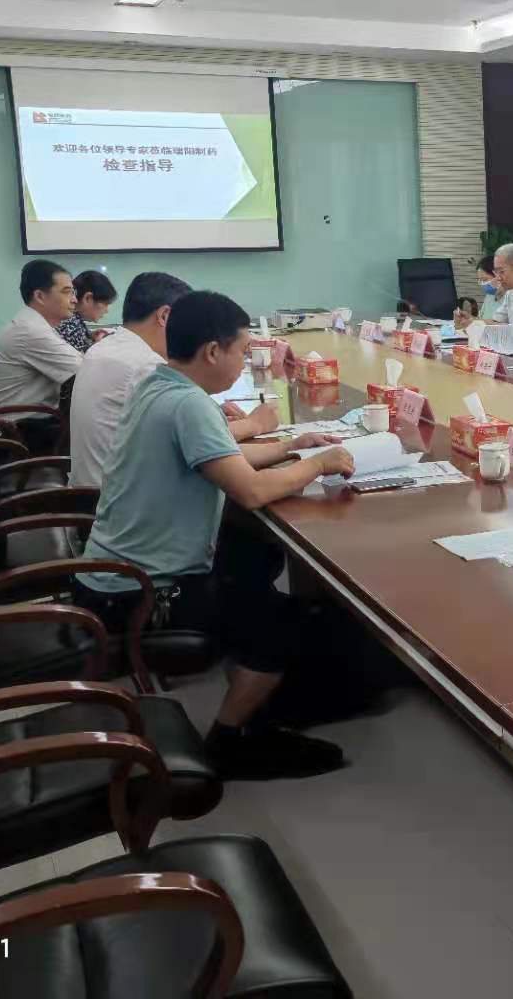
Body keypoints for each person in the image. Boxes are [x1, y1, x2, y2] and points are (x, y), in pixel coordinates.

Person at [74, 291, 356, 780]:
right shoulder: (189, 405)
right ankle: (230, 739)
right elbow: (250, 491)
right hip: (143, 594)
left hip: (110, 576)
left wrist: (292, 447)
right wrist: (317, 464)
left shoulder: (158, 384)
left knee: (252, 557)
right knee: (277, 623)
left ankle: (262, 698)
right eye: (242, 351)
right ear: (212, 351)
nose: (245, 360)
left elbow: (221, 459)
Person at [68, 272, 282, 487]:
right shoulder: (144, 365)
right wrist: (254, 424)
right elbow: (204, 441)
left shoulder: (108, 347)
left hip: (88, 490)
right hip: (119, 494)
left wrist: (214, 416)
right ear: (165, 316)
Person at [0, 259, 82, 415]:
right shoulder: (31, 332)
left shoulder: (32, 324)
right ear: (40, 296)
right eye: (66, 292)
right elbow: (86, 372)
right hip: (12, 424)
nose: (74, 300)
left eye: (73, 292)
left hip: (19, 417)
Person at [57, 270, 116, 354]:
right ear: (88, 298)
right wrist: (98, 345)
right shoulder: (71, 326)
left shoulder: (73, 320)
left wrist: (89, 336)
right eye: (105, 303)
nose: (107, 310)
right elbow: (84, 361)